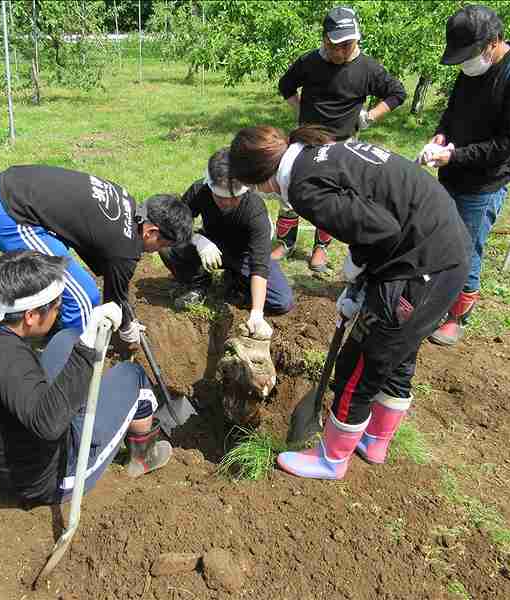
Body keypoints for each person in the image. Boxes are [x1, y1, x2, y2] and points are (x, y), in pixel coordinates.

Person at [229, 125, 470, 480]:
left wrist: (355, 269)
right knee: (399, 354)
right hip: (442, 251)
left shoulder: (303, 187)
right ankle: (375, 440)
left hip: (420, 266)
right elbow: (376, 215)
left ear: (262, 179)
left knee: (359, 364)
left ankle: (331, 459)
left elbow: (381, 230)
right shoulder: (313, 153)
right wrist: (360, 285)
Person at [0, 250, 172, 504]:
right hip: (50, 476)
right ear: (30, 316)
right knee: (133, 375)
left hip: (14, 454)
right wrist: (90, 342)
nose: (59, 312)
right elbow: (48, 425)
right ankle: (141, 458)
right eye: (57, 307)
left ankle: (82, 408)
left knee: (66, 338)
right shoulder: (11, 362)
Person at [421, 5, 510, 347]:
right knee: (441, 236)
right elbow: (453, 111)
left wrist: (454, 155)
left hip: (484, 182)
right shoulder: (472, 70)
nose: (465, 63)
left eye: (470, 55)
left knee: (467, 247)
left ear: (493, 42)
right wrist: (441, 136)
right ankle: (436, 297)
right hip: (453, 169)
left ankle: (458, 316)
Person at [0, 165, 193, 348]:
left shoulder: (126, 200)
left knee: (67, 278)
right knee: (84, 296)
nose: (156, 251)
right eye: (163, 245)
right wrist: (126, 326)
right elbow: (113, 300)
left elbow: (101, 257)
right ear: (151, 232)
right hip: (9, 213)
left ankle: (53, 326)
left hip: (8, 184)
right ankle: (76, 361)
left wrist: (124, 315)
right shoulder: (124, 248)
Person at [274, 5, 407, 273]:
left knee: (330, 197)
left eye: (349, 45)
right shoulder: (309, 62)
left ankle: (320, 248)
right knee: (288, 188)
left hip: (342, 146)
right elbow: (285, 85)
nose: (343, 51)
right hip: (306, 141)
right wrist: (300, 112)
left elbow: (397, 93)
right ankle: (284, 241)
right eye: (337, 45)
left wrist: (370, 117)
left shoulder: (368, 68)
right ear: (325, 39)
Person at [159, 149, 294, 337]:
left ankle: (237, 281)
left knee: (282, 301)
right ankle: (198, 283)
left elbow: (260, 265)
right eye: (221, 198)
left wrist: (256, 313)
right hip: (211, 244)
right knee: (166, 243)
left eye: (234, 198)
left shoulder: (254, 210)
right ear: (210, 185)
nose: (228, 203)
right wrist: (198, 240)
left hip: (246, 254)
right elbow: (176, 224)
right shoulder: (200, 191)